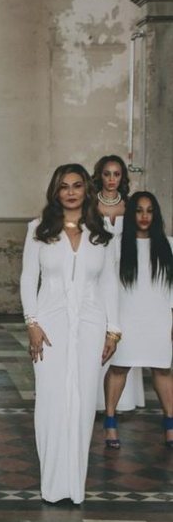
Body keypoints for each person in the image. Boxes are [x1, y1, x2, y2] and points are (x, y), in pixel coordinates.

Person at [20, 163, 120, 504]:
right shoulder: (38, 229)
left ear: (86, 191)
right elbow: (26, 279)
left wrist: (113, 330)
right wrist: (31, 323)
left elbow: (110, 283)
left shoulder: (101, 231)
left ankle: (74, 485)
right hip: (48, 326)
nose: (71, 191)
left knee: (81, 402)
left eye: (77, 185)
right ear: (56, 191)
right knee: (50, 400)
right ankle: (52, 483)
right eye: (64, 186)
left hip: (91, 325)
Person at [103, 192, 173, 449]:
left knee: (163, 369)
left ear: (155, 215)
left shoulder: (169, 245)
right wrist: (111, 323)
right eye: (139, 210)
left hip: (159, 318)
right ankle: (110, 423)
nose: (144, 216)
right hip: (126, 318)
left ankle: (170, 423)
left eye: (149, 211)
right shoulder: (116, 245)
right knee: (120, 367)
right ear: (131, 215)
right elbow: (107, 285)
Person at [92, 154, 145, 412]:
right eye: (106, 174)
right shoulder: (89, 205)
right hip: (96, 274)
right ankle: (94, 398)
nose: (111, 179)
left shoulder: (131, 205)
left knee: (121, 327)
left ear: (122, 177)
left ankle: (121, 400)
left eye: (116, 174)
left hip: (124, 275)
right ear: (99, 176)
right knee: (97, 325)